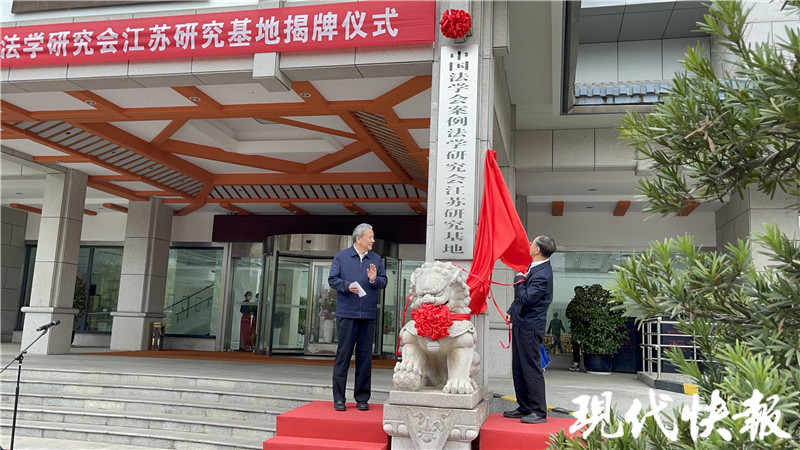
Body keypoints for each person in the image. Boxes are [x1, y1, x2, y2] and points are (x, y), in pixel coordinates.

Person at [328, 223, 387, 412]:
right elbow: (332, 279)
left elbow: (383, 281)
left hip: (368, 315)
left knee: (365, 358)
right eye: (370, 237)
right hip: (347, 314)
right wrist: (347, 286)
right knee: (343, 356)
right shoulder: (342, 257)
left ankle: (362, 398)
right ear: (358, 238)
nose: (373, 240)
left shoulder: (375, 259)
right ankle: (339, 398)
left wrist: (374, 279)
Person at [503, 235, 556, 424]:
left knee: (531, 368)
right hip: (521, 322)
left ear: (538, 249)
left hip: (530, 327)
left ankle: (539, 411)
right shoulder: (534, 266)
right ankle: (524, 406)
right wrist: (511, 310)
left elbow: (526, 298)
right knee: (518, 367)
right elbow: (523, 299)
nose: (530, 244)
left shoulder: (543, 274)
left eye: (533, 242)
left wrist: (518, 279)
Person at [566, 286, 584, 372]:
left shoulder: (587, 303)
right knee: (575, 346)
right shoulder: (573, 303)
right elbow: (568, 313)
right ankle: (576, 363)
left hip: (585, 327)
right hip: (576, 327)